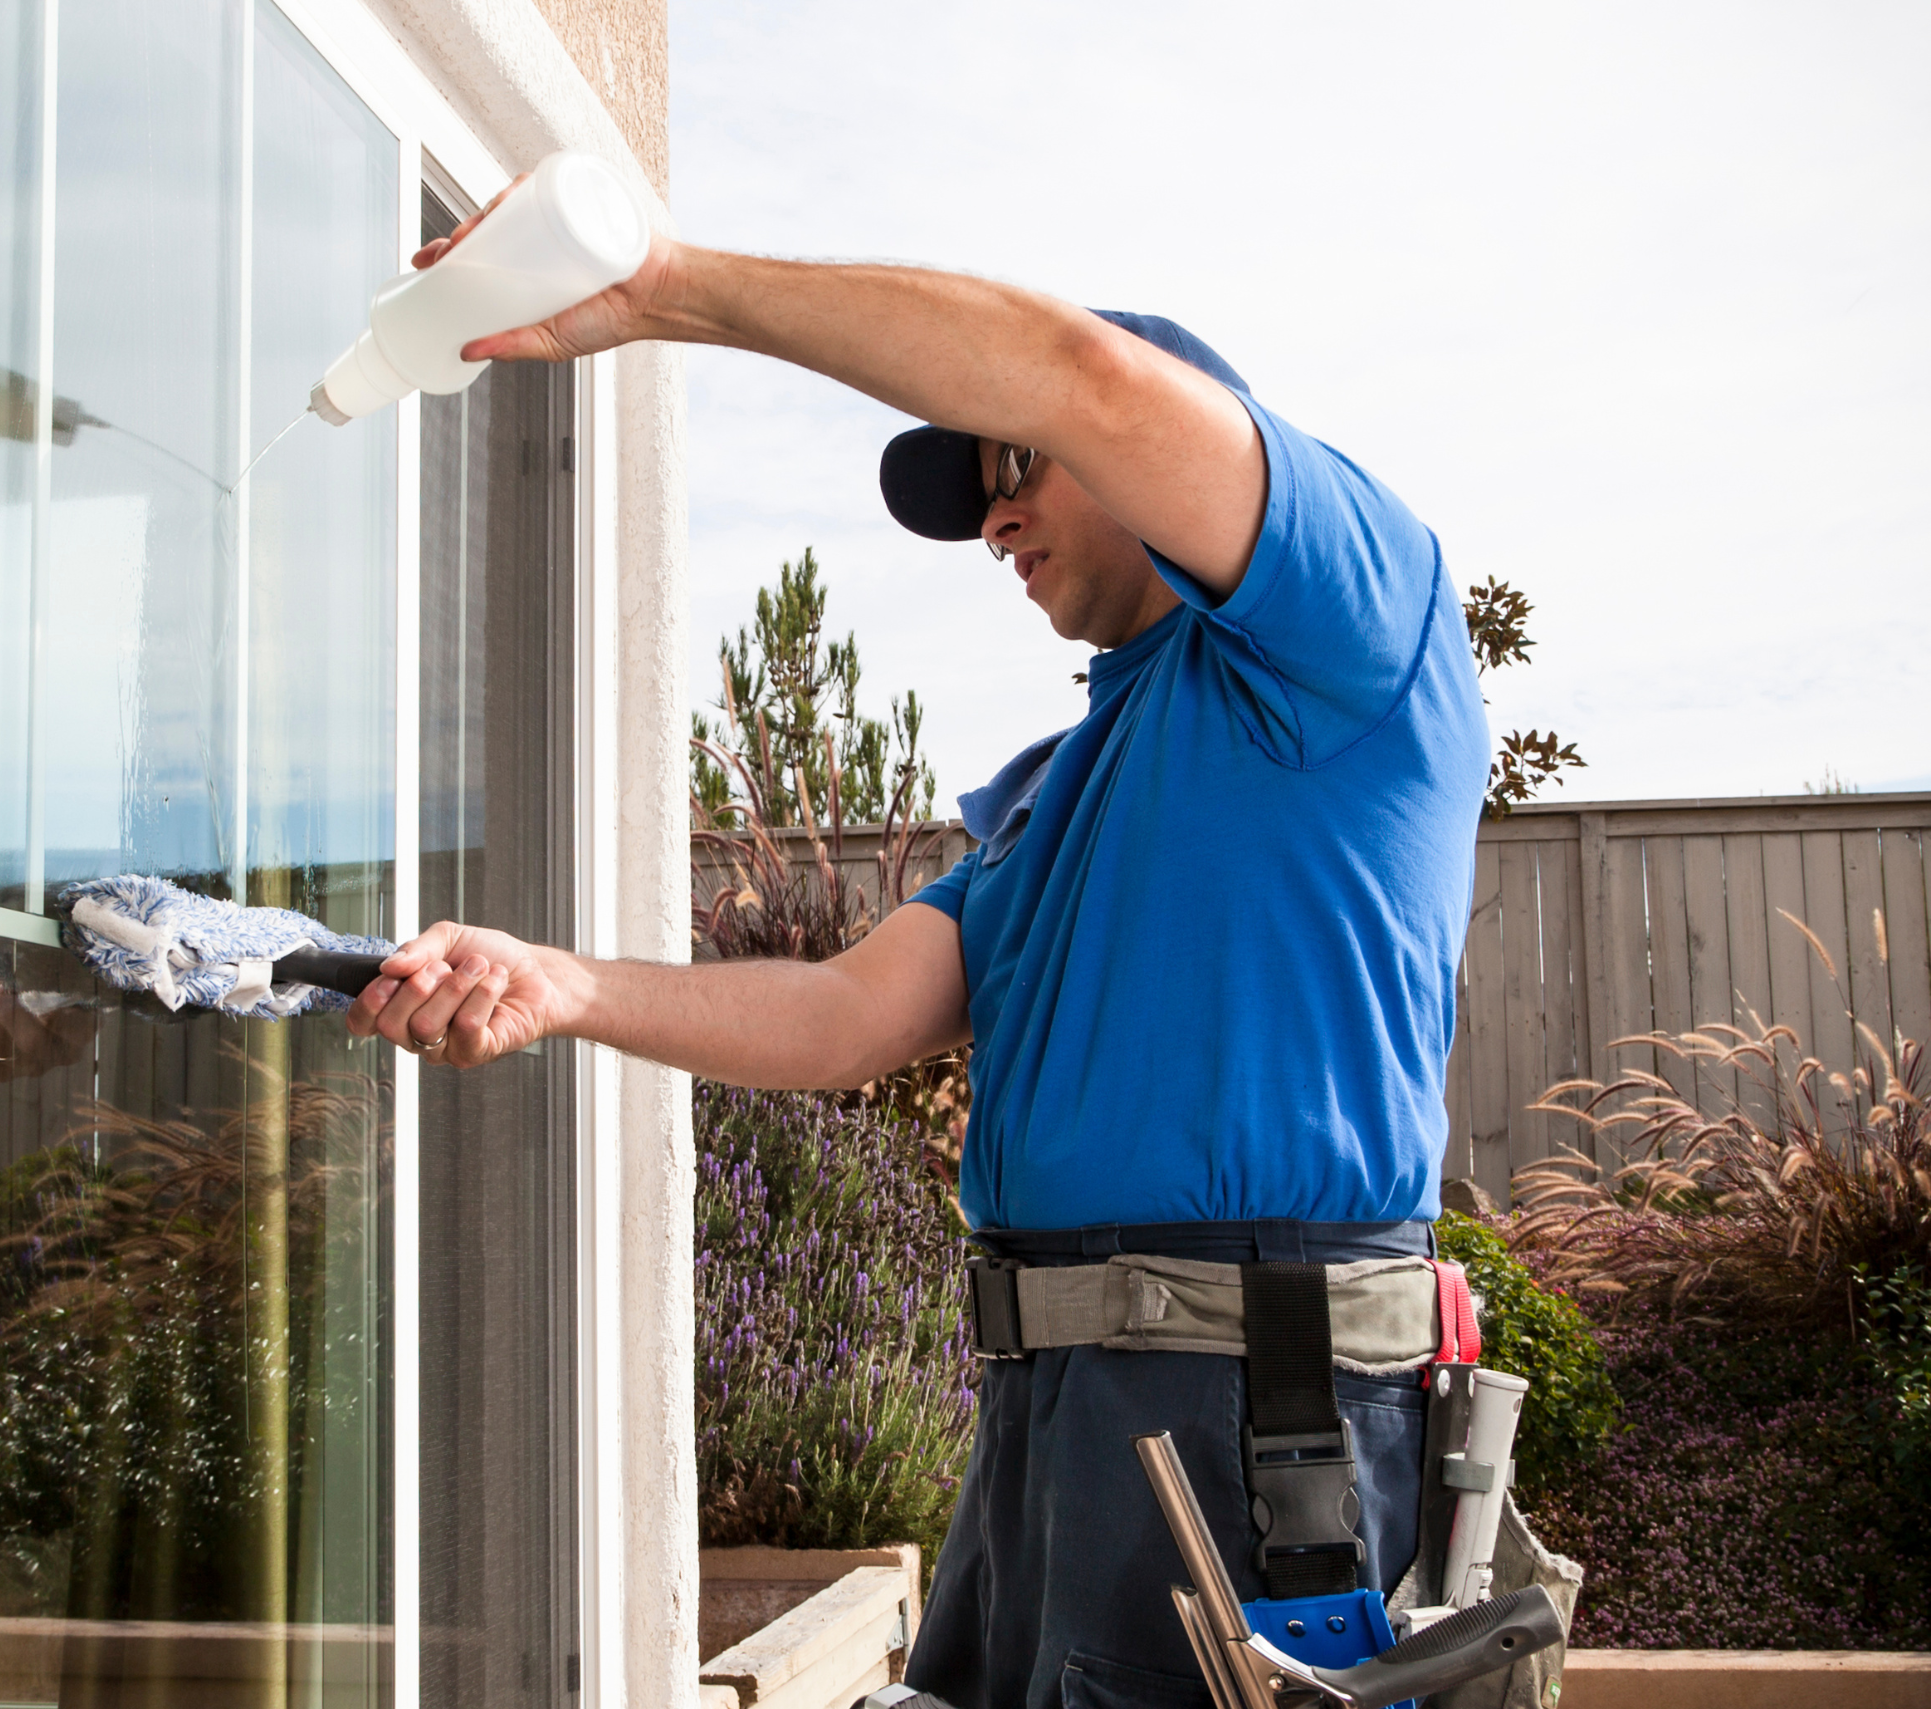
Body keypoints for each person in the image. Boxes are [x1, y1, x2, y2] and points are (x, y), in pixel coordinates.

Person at [348, 191, 1487, 1707]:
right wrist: (561, 987)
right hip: (1056, 1422)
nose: (997, 518)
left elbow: (1076, 369)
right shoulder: (1054, 792)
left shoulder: (1350, 639)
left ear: (1167, 446)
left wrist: (667, 287)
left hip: (1256, 1421)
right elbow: (841, 1017)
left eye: (1018, 467)